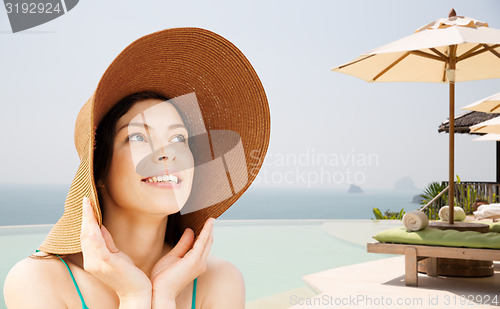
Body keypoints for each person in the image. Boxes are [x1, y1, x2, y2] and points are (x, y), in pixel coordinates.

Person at [4, 27, 271, 309]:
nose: (167, 153)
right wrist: (134, 297)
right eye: (137, 137)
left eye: (179, 138)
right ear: (99, 171)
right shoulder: (38, 280)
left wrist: (164, 295)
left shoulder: (219, 281)